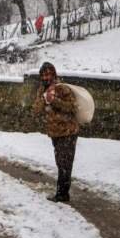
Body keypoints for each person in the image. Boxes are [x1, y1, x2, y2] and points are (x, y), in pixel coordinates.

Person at [33, 62, 79, 202]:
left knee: (65, 164)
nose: (47, 77)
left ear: (54, 74)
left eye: (49, 74)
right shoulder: (42, 90)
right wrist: (44, 99)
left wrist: (54, 100)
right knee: (61, 163)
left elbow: (73, 107)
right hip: (55, 133)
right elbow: (36, 110)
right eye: (44, 74)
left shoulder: (62, 88)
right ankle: (62, 192)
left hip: (68, 132)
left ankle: (62, 194)